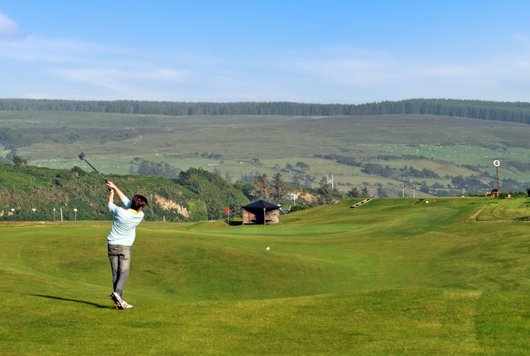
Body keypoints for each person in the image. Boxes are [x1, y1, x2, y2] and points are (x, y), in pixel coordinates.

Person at [105, 180, 148, 309]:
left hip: (112, 244)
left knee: (115, 273)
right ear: (140, 207)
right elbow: (127, 201)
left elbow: (110, 205)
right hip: (125, 247)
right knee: (124, 272)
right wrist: (115, 188)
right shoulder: (140, 215)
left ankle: (119, 301)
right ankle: (118, 295)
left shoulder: (120, 212)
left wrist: (112, 191)